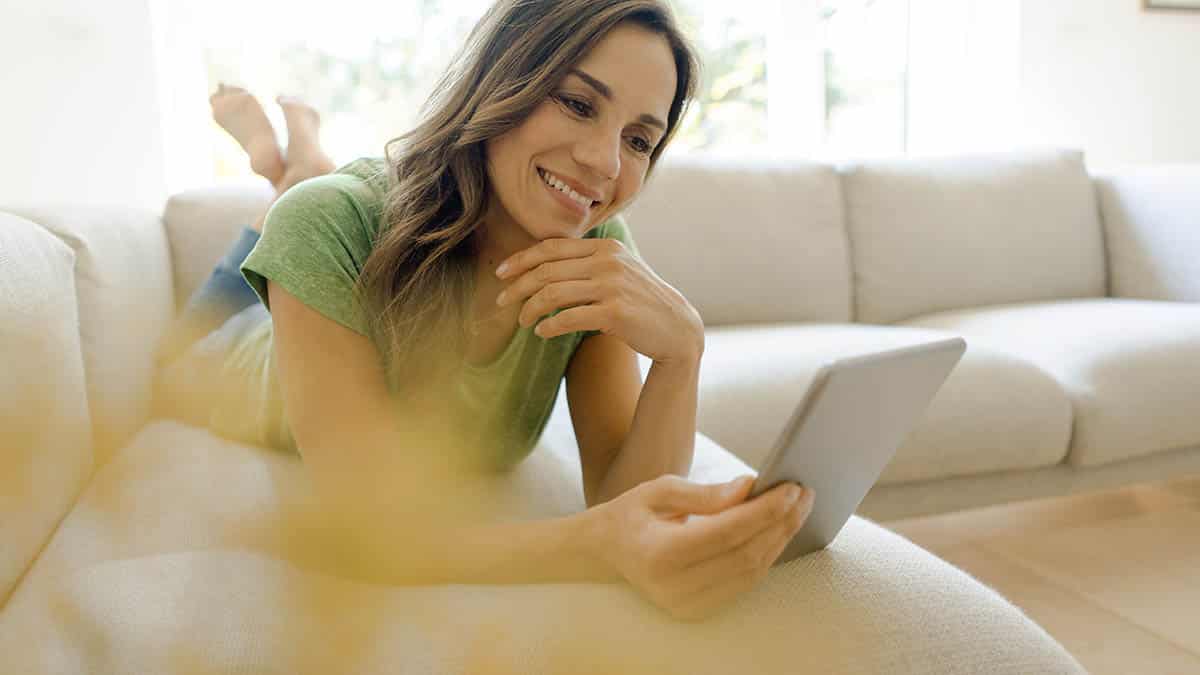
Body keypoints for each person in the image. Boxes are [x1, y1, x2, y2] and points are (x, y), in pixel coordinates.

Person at [154, 0, 815, 623]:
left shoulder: (595, 256)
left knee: (314, 201)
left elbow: (626, 502)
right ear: (500, 83)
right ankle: (294, 165)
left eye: (640, 141)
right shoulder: (327, 225)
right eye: (579, 103)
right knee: (280, 236)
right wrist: (593, 546)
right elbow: (372, 535)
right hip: (230, 337)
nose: (603, 162)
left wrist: (681, 353)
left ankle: (299, 157)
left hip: (326, 242)